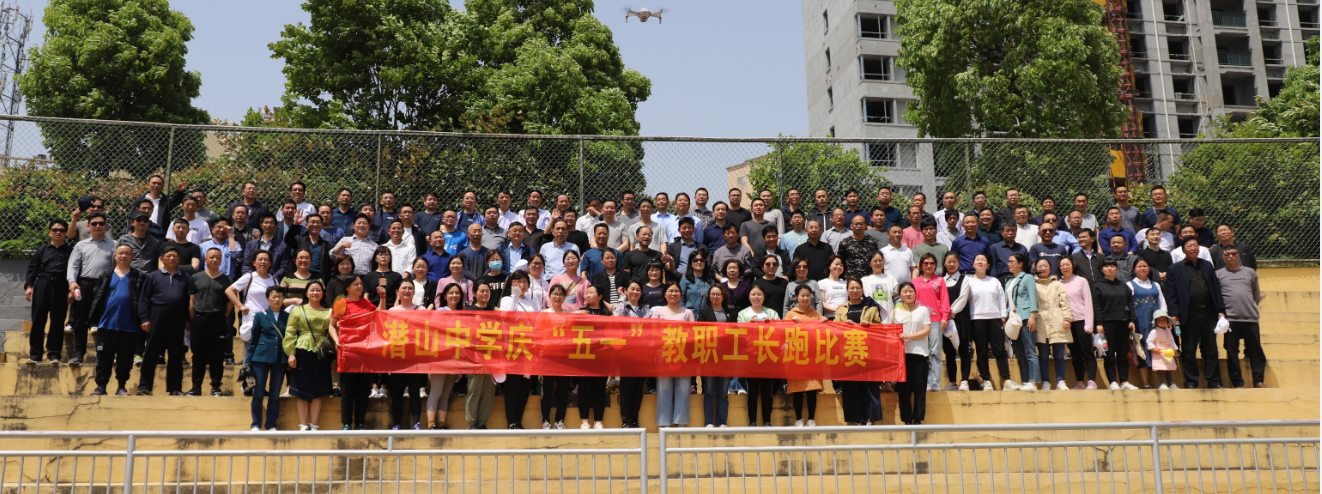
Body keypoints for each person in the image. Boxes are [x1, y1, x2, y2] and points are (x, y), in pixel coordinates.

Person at [1165, 237, 1226, 389]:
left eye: (1195, 245)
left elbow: (1215, 289)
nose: (1193, 248)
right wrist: (1174, 314)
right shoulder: (1174, 269)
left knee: (1210, 348)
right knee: (1189, 348)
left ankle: (1214, 381)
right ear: (1183, 250)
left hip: (1208, 312)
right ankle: (1191, 381)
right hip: (1188, 313)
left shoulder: (1207, 265)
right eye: (1189, 246)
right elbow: (1171, 293)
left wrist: (1220, 311)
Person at [136, 246, 191, 395]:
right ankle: (144, 387)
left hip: (178, 318)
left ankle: (175, 388)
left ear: (179, 259)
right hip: (157, 316)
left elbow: (189, 300)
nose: (171, 258)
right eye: (168, 256)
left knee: (176, 353)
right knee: (151, 352)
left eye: (174, 256)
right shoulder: (153, 276)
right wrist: (145, 318)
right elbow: (144, 299)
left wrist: (187, 319)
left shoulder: (186, 277)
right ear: (162, 259)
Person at [85, 244, 140, 395]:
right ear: (115, 256)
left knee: (125, 359)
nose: (124, 256)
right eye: (121, 253)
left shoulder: (138, 277)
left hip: (129, 326)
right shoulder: (106, 275)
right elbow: (97, 298)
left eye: (127, 253)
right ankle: (101, 386)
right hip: (107, 324)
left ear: (132, 257)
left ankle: (121, 387)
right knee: (104, 358)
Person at [333, 274, 385, 429]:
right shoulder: (341, 303)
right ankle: (346, 423)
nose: (359, 287)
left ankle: (360, 422)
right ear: (347, 287)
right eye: (355, 284)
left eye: (360, 284)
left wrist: (383, 297)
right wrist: (336, 340)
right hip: (347, 352)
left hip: (364, 352)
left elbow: (379, 316)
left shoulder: (366, 303)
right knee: (347, 390)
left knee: (363, 390)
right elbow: (331, 325)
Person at [283, 280, 334, 431]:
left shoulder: (329, 311)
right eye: (312, 290)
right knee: (302, 390)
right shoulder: (298, 310)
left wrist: (333, 357)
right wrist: (291, 353)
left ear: (323, 293)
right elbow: (290, 332)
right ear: (306, 293)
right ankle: (303, 424)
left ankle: (314, 424)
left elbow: (332, 334)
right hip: (302, 351)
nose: (315, 293)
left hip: (322, 353)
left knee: (319, 390)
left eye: (318, 290)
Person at [831, 281, 884, 423]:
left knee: (869, 385)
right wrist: (844, 325)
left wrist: (869, 325)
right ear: (847, 290)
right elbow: (835, 328)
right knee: (851, 386)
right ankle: (857, 418)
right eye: (852, 288)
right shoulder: (841, 310)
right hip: (848, 351)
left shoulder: (871, 308)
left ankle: (871, 418)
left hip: (867, 351)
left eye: (857, 288)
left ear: (862, 289)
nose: (854, 290)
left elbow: (879, 327)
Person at [1217, 246, 1266, 388]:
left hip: (1250, 317)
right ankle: (1238, 383)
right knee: (1232, 352)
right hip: (1230, 319)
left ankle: (1258, 381)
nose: (1231, 256)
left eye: (1233, 253)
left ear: (1238, 255)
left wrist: (1250, 308)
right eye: (1227, 254)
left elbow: (1255, 294)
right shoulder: (1218, 274)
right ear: (1223, 257)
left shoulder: (1250, 272)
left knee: (1255, 351)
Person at [187, 248, 233, 396]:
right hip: (199, 318)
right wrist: (193, 319)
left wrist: (221, 316)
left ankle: (215, 387)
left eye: (218, 257)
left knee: (217, 355)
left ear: (221, 260)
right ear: (205, 260)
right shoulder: (196, 277)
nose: (214, 259)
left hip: (218, 319)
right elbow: (192, 301)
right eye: (211, 257)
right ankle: (196, 387)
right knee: (198, 355)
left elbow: (229, 303)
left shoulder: (227, 280)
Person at [26, 219, 72, 364]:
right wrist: (29, 286)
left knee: (58, 321)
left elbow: (74, 271)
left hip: (61, 286)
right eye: (55, 230)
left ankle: (54, 354)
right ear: (49, 232)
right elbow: (32, 269)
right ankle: (35, 355)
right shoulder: (42, 250)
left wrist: (71, 290)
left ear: (66, 233)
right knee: (38, 320)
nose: (58, 232)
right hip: (43, 285)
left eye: (61, 230)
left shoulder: (70, 251)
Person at [245, 288, 289, 430]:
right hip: (261, 358)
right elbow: (254, 339)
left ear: (283, 299)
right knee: (258, 392)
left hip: (280, 359)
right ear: (267, 299)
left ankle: (271, 425)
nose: (277, 299)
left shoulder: (288, 316)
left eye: (280, 297)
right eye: (274, 296)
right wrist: (249, 360)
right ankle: (256, 424)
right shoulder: (260, 315)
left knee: (275, 394)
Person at [737, 284, 779, 427]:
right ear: (749, 296)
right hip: (751, 357)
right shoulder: (743, 314)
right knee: (752, 391)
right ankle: (752, 421)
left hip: (768, 356)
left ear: (764, 296)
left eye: (759, 294)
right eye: (753, 294)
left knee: (767, 391)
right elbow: (740, 335)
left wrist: (766, 324)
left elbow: (779, 332)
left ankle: (767, 421)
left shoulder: (772, 313)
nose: (756, 297)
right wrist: (750, 325)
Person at [1093, 257, 1138, 390]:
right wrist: (1099, 323)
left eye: (1112, 266)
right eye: (1106, 266)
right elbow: (1097, 307)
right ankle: (1112, 381)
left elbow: (1130, 303)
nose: (1109, 269)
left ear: (1116, 269)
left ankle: (1124, 381)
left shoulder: (1123, 285)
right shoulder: (1098, 286)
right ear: (1102, 269)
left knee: (1123, 353)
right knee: (1109, 353)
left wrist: (1132, 320)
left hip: (1123, 322)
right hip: (1107, 324)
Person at [890, 283, 931, 425]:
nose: (908, 294)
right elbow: (890, 332)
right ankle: (907, 419)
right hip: (901, 355)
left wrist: (910, 336)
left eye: (911, 291)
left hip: (920, 354)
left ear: (915, 293)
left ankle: (918, 419)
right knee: (904, 389)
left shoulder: (923, 310)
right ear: (900, 295)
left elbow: (927, 330)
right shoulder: (895, 312)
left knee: (920, 388)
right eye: (905, 291)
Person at [612, 281, 651, 429]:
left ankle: (635, 420)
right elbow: (616, 316)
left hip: (642, 354)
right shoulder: (622, 306)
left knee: (638, 389)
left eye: (638, 289)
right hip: (627, 354)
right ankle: (626, 420)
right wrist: (622, 297)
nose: (635, 292)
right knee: (627, 388)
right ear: (626, 290)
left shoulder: (646, 309)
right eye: (632, 289)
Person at [784, 285, 825, 427]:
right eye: (802, 295)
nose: (805, 298)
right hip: (796, 357)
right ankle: (799, 419)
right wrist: (791, 324)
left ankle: (811, 419)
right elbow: (784, 335)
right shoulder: (790, 315)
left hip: (813, 357)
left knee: (812, 389)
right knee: (798, 390)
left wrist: (825, 323)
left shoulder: (816, 314)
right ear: (796, 297)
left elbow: (822, 334)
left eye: (808, 295)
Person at [572, 285, 612, 429]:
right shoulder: (582, 312)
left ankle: (598, 421)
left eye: (591, 292)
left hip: (602, 357)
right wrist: (575, 314)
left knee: (599, 390)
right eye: (586, 293)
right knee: (584, 389)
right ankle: (584, 422)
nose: (587, 295)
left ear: (600, 296)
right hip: (584, 357)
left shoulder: (608, 314)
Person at [966, 254, 1008, 390]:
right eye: (977, 259)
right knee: (982, 351)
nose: (980, 261)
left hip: (995, 318)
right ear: (973, 264)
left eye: (983, 260)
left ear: (988, 265)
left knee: (999, 350)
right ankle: (986, 380)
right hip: (976, 319)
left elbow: (1001, 299)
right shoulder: (968, 281)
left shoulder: (994, 281)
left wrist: (1003, 316)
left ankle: (1007, 379)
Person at [228, 250, 278, 361]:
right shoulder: (249, 277)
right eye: (260, 259)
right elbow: (229, 290)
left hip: (268, 322)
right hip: (251, 320)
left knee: (265, 355)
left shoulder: (274, 281)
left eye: (266, 259)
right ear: (254, 263)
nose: (263, 262)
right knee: (249, 354)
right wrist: (240, 306)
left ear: (270, 263)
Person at [426, 283, 464, 429]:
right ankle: (431, 424)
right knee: (436, 391)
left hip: (455, 358)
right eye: (451, 293)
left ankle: (441, 424)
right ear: (445, 296)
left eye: (457, 293)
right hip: (440, 357)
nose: (454, 296)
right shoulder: (440, 312)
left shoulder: (464, 313)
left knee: (446, 393)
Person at [1031, 258, 1072, 391]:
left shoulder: (1057, 284)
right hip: (1040, 321)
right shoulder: (1032, 284)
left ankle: (1061, 381)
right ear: (1036, 268)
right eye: (1040, 266)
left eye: (1045, 266)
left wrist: (1067, 318)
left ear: (1050, 268)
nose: (1042, 268)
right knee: (1043, 355)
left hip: (1057, 319)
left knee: (1059, 354)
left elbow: (1064, 301)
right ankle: (1046, 382)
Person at [695, 284, 733, 428]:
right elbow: (700, 334)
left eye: (718, 294)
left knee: (723, 392)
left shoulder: (731, 313)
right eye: (712, 294)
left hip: (725, 358)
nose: (715, 297)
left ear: (723, 296)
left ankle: (722, 422)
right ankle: (709, 422)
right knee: (709, 392)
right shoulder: (704, 313)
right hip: (709, 357)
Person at [1059, 257, 1098, 390]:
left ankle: (1092, 381)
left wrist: (1089, 324)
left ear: (1073, 265)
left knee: (1087, 352)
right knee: (1075, 354)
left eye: (1067, 264)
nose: (1065, 267)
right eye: (1062, 265)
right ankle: (1080, 382)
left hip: (1082, 321)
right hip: (1067, 324)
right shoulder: (1058, 284)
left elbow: (1088, 302)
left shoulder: (1081, 281)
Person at [1127, 258, 1167, 389]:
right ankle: (1146, 383)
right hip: (1140, 322)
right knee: (1142, 350)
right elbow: (1128, 305)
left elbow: (1162, 302)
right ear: (1134, 269)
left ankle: (1163, 382)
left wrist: (1164, 318)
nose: (1142, 268)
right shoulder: (1130, 285)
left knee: (1159, 348)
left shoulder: (1156, 285)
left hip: (1157, 322)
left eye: (1145, 266)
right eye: (1139, 266)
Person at [539, 284, 574, 429]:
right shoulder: (543, 313)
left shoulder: (568, 315)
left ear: (565, 297)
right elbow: (538, 334)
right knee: (547, 391)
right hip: (548, 358)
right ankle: (546, 420)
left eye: (560, 294)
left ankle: (559, 420)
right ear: (550, 296)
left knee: (563, 391)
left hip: (564, 359)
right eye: (555, 293)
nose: (557, 297)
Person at [463, 283, 498, 429]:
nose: (485, 293)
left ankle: (482, 422)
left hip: (491, 356)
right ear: (474, 293)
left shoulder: (494, 310)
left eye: (487, 291)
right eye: (481, 291)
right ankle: (471, 423)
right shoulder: (469, 311)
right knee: (474, 389)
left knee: (488, 391)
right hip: (475, 357)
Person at [1004, 253, 1039, 391]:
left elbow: (1032, 297)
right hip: (1014, 320)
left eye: (1012, 261)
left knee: (1030, 350)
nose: (1009, 264)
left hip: (1025, 317)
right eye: (1008, 261)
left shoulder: (1028, 277)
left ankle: (1033, 381)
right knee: (1019, 352)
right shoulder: (1009, 281)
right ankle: (1025, 381)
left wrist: (1032, 315)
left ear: (1020, 264)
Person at [938, 252, 972, 391]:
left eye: (954, 261)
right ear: (944, 263)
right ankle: (952, 382)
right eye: (949, 261)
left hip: (960, 318)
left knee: (964, 350)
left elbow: (963, 297)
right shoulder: (940, 280)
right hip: (944, 319)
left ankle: (964, 381)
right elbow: (938, 298)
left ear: (959, 263)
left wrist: (951, 312)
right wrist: (945, 314)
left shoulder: (965, 278)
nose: (951, 264)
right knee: (949, 352)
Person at [119, 210, 162, 274]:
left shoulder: (154, 242)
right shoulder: (123, 240)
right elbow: (116, 260)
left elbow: (157, 262)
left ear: (148, 223)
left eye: (145, 220)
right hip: (128, 276)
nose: (142, 222)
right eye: (138, 220)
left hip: (147, 277)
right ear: (132, 223)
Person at [838, 216, 879, 280]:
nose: (859, 226)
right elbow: (840, 262)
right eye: (856, 224)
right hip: (850, 279)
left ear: (865, 226)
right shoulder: (845, 243)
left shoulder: (872, 242)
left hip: (869, 279)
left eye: (861, 224)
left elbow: (876, 260)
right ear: (851, 226)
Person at [1146, 310, 1180, 389]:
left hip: (1168, 353)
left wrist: (1175, 349)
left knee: (1169, 368)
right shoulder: (1154, 331)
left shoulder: (1168, 330)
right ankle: (1162, 383)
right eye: (1159, 320)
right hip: (1159, 353)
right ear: (1155, 321)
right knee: (1161, 368)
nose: (1162, 322)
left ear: (1167, 321)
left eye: (1164, 320)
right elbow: (1149, 341)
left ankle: (1171, 383)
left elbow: (1171, 341)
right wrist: (1153, 348)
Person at [861, 252, 898, 319]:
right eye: (875, 261)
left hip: (889, 319)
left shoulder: (891, 278)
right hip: (870, 319)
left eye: (880, 260)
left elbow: (897, 298)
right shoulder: (864, 280)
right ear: (869, 263)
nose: (878, 263)